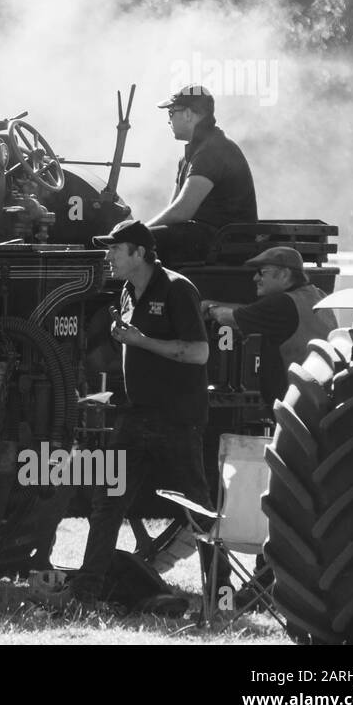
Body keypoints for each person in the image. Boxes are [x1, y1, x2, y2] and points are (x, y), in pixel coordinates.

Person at [72, 218, 213, 608]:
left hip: (177, 418)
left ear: (139, 252)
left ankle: (220, 589)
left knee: (197, 507)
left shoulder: (178, 289)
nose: (108, 256)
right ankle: (86, 590)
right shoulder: (127, 292)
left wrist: (141, 340)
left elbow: (199, 353)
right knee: (108, 501)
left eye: (115, 249)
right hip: (136, 416)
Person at [203, 246, 338, 407]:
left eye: (262, 272)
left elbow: (231, 318)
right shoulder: (317, 295)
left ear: (284, 274)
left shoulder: (282, 304)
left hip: (296, 402)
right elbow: (251, 311)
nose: (255, 278)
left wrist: (209, 309)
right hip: (317, 397)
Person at [148, 85, 257, 263]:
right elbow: (173, 209)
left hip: (224, 245)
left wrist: (140, 233)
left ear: (188, 114)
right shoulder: (191, 155)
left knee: (141, 245)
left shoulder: (213, 150)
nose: (169, 121)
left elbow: (182, 211)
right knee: (140, 242)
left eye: (171, 113)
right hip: (206, 239)